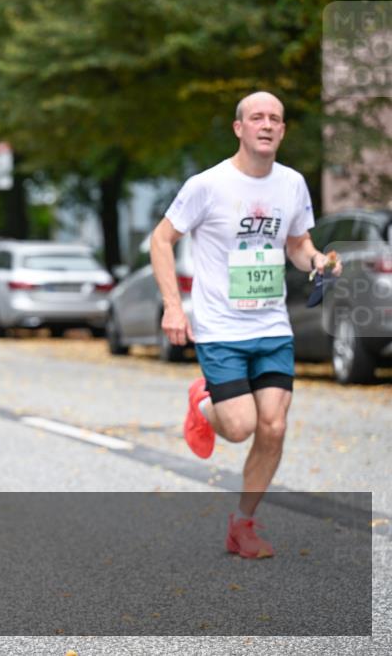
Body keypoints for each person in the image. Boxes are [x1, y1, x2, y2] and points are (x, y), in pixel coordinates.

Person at [151, 91, 342, 559]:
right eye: (257, 117)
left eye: (275, 118)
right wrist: (173, 307)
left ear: (282, 130)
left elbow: (297, 242)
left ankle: (243, 525)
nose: (267, 124)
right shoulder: (208, 185)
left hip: (272, 325)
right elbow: (161, 238)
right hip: (219, 327)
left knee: (273, 427)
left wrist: (316, 261)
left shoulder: (293, 184)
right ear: (239, 128)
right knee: (239, 428)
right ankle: (203, 403)